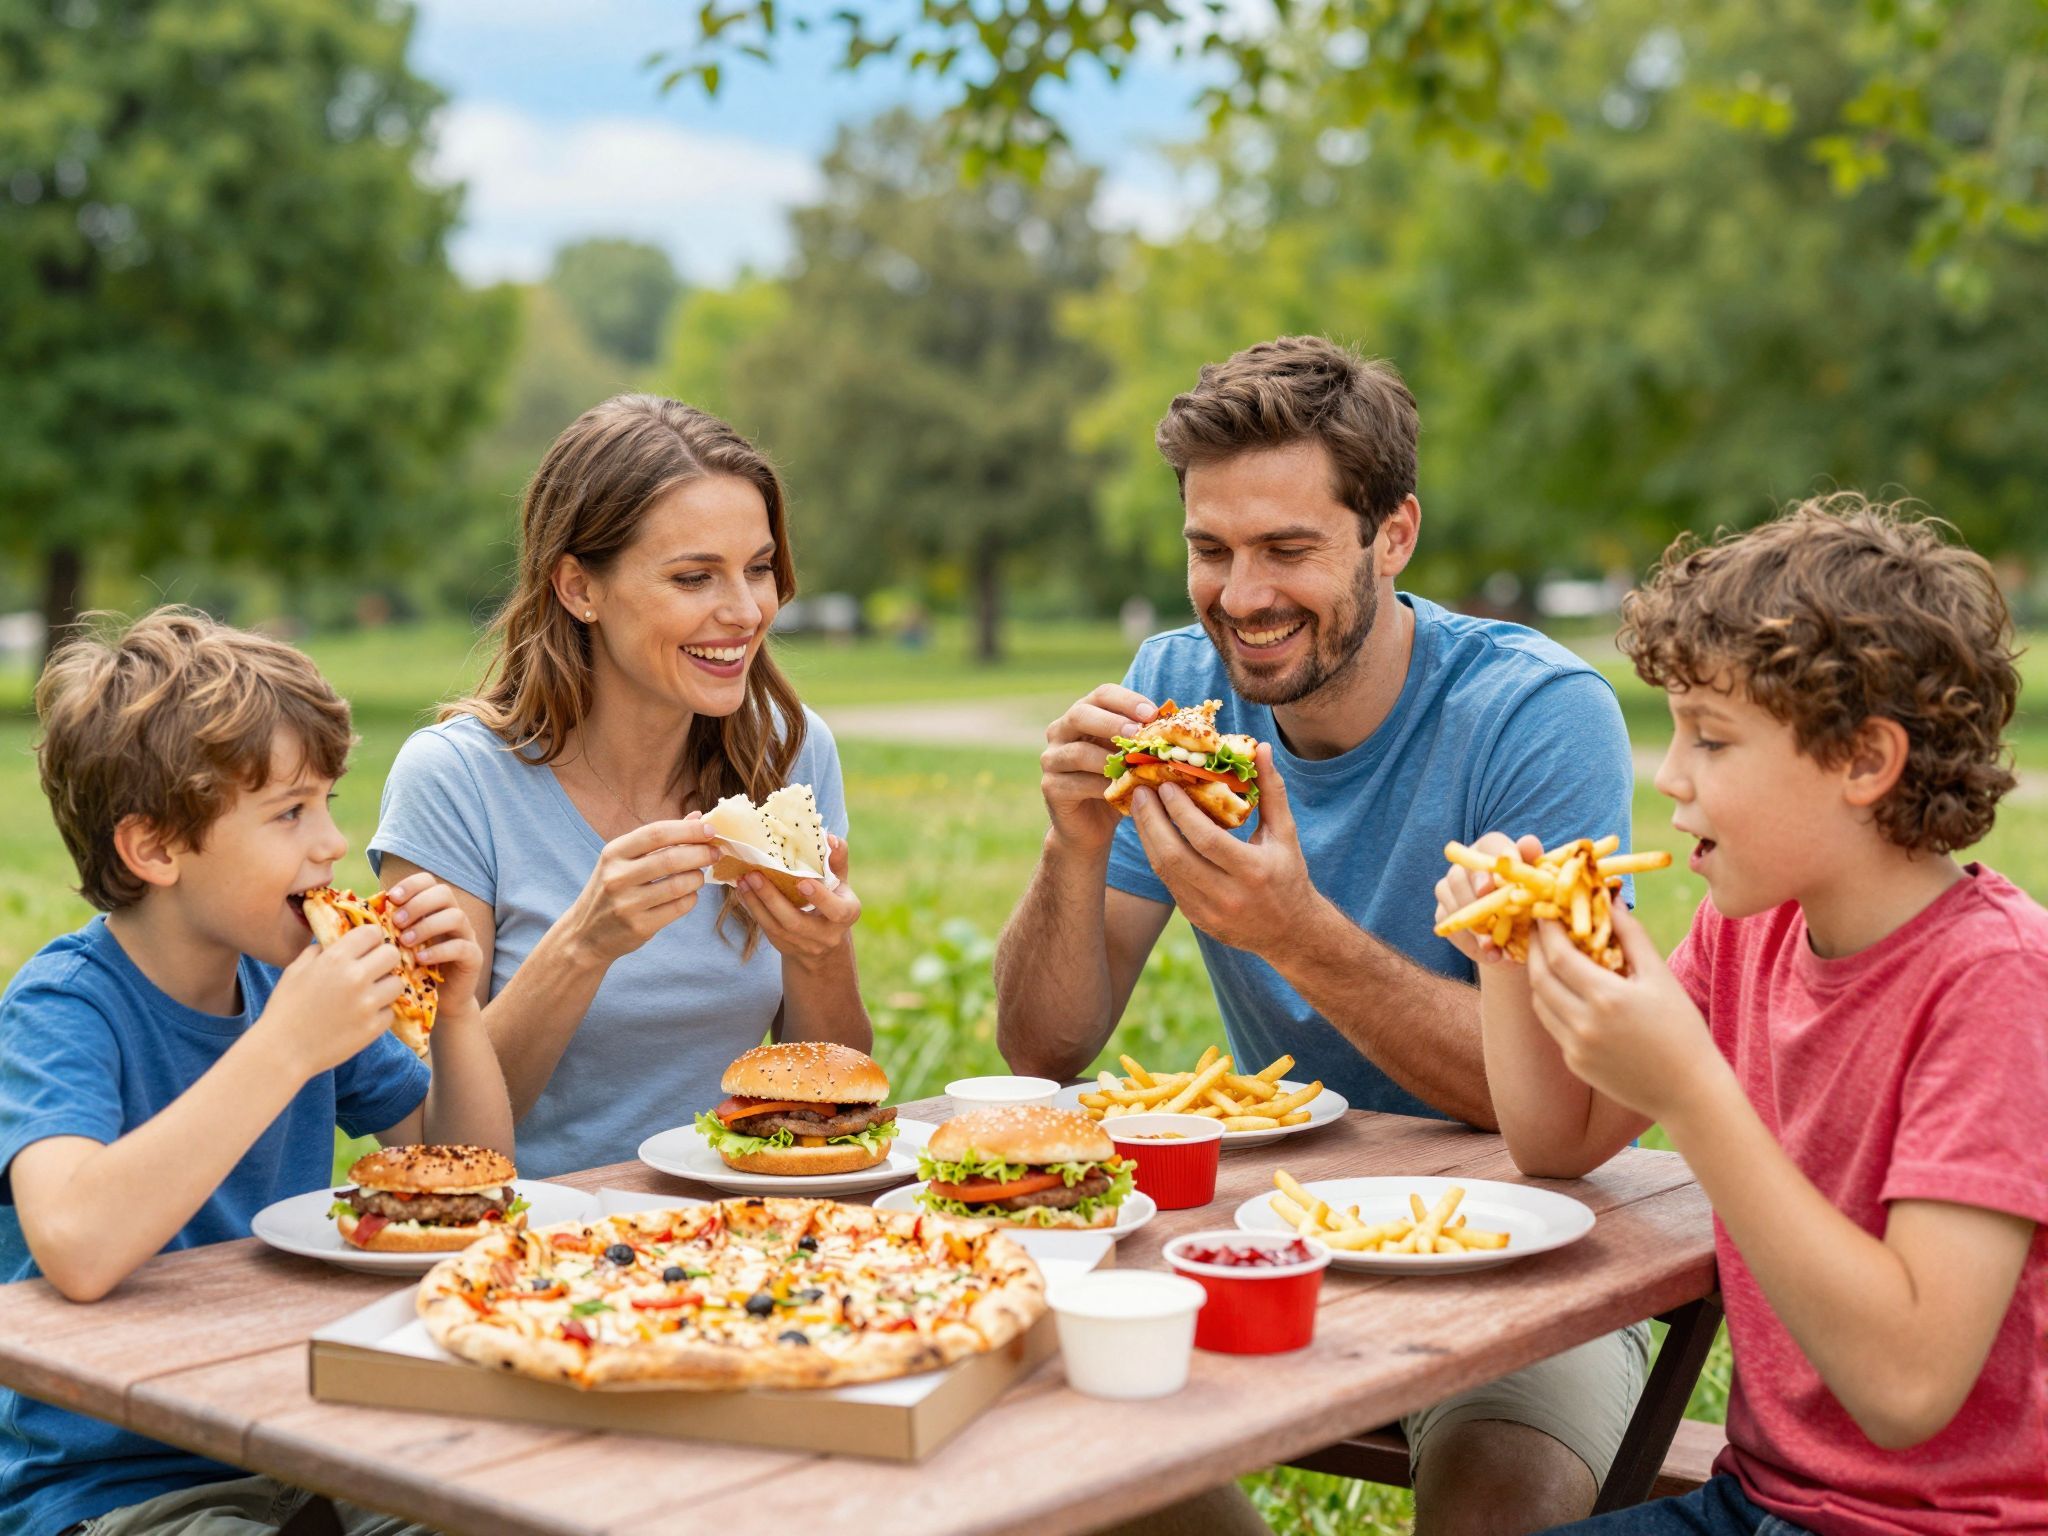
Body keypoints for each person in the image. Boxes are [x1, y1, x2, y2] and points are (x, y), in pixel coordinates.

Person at [995, 336, 1645, 1535]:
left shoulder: (1533, 716)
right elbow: (1045, 1050)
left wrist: (1295, 933)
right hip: (1265, 1224)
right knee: (1045, 1446)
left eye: (1287, 549)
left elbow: (1548, 1106)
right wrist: (1072, 845)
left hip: (1527, 1235)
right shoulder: (1177, 685)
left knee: (1501, 1497)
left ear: (1390, 536)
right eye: (1210, 549)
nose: (1240, 596)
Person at [1443, 498, 2046, 1536]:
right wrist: (1512, 956)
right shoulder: (1751, 934)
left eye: (1710, 740)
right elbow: (1555, 1143)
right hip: (1758, 1503)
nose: (1668, 777)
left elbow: (1905, 1389)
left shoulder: (1994, 982)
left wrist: (1690, 1090)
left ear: (1864, 761)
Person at [0, 608, 511, 1536]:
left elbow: (466, 1178)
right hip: (119, 1487)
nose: (327, 846)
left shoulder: (288, 978)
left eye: (327, 805)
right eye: (288, 814)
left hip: (296, 1440)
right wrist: (282, 1049)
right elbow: (75, 1244)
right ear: (154, 849)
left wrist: (461, 1015)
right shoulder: (66, 1011)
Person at [371, 394, 869, 1179]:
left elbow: (838, 1092)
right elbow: (428, 1141)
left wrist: (819, 953)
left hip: (745, 1228)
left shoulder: (791, 753)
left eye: (760, 569)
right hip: (533, 1251)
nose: (744, 611)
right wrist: (582, 945)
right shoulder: (454, 782)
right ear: (579, 588)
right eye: (694, 577)